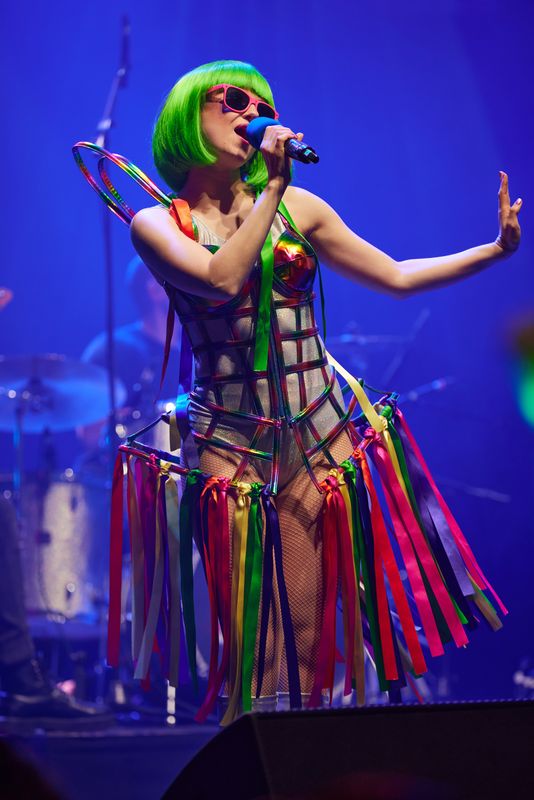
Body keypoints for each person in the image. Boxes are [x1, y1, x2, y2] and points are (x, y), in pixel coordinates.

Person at [107, 60, 521, 725]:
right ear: (188, 115)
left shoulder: (300, 208)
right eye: (233, 100)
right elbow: (220, 278)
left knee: (305, 626)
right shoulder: (156, 225)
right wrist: (272, 188)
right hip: (229, 441)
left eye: (263, 105)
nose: (252, 114)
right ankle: (259, 756)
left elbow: (395, 276)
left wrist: (493, 251)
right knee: (255, 632)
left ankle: (307, 760)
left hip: (314, 431)